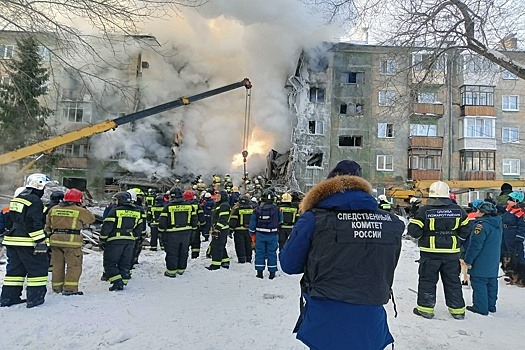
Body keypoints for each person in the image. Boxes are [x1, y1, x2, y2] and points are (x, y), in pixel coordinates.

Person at [280, 160, 404, 350]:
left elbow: (289, 265)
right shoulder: (391, 222)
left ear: (328, 186)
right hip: (370, 319)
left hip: (325, 317)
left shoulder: (314, 219)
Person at [408, 180, 470, 320]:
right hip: (451, 254)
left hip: (430, 253)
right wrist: (455, 238)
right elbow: (466, 230)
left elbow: (414, 231)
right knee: (453, 281)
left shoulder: (424, 210)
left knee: (427, 280)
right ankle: (458, 311)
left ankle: (426, 309)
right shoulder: (459, 210)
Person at [1, 173, 50, 308]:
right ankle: (35, 299)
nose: (44, 190)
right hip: (27, 242)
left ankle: (8, 298)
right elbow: (32, 222)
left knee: (14, 272)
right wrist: (41, 241)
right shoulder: (34, 200)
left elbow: (10, 220)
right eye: (44, 187)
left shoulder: (17, 199)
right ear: (38, 185)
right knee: (37, 270)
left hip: (12, 241)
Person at [45, 188, 95, 295]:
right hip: (72, 243)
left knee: (57, 266)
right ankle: (70, 289)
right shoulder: (79, 210)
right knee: (74, 265)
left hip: (55, 242)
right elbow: (91, 219)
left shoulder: (53, 209)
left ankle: (57, 288)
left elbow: (47, 226)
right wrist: (83, 207)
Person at [463, 202, 502, 315]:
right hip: (493, 259)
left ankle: (480, 307)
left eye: (479, 211)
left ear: (484, 213)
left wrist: (468, 259)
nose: (477, 212)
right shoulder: (497, 223)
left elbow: (475, 245)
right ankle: (491, 305)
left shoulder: (481, 226)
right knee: (491, 282)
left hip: (481, 260)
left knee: (479, 282)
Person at [100, 191, 143, 291]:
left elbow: (107, 226)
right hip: (130, 241)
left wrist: (102, 240)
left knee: (110, 263)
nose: (115, 202)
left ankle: (117, 282)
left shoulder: (115, 211)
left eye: (116, 200)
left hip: (115, 240)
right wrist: (134, 236)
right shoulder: (137, 211)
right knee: (125, 262)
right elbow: (140, 227)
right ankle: (123, 280)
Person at [158, 188, 197, 277]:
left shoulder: (167, 207)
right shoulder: (189, 206)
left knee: (172, 252)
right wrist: (193, 231)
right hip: (186, 233)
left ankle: (171, 272)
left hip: (172, 234)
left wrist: (160, 233)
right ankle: (181, 269)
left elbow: (162, 222)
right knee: (183, 251)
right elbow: (194, 219)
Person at [250, 189, 282, 279]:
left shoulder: (257, 210)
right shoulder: (277, 209)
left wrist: (252, 233)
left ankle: (259, 273)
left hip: (260, 234)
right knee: (272, 253)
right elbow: (280, 220)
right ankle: (272, 273)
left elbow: (252, 223)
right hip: (272, 235)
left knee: (260, 253)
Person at [500, 191, 525, 285]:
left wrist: (519, 237)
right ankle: (511, 274)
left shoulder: (520, 212)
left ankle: (521, 276)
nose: (508, 201)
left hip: (513, 234)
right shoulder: (509, 210)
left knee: (517, 255)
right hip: (506, 234)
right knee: (507, 254)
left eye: (510, 200)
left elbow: (522, 226)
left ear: (516, 201)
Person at [206, 189, 231, 270]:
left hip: (221, 230)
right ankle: (225, 261)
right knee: (220, 245)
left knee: (217, 247)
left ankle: (215, 264)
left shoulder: (224, 205)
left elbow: (223, 219)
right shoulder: (218, 205)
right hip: (218, 229)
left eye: (219, 196)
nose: (217, 197)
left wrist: (217, 229)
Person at [229, 195, 254, 263]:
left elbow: (233, 220)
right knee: (248, 245)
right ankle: (248, 258)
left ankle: (241, 259)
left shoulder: (237, 209)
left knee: (240, 245)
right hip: (249, 230)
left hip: (239, 230)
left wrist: (230, 229)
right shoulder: (252, 210)